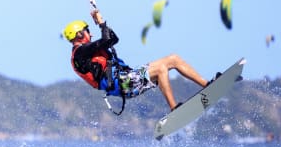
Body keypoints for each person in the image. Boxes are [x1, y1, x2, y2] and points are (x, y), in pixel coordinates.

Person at [62, 9, 212, 112]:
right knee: (161, 69)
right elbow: (106, 39)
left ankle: (208, 85)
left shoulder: (87, 49)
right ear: (80, 34)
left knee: (173, 59)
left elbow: (113, 39)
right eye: (87, 31)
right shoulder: (80, 53)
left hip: (127, 77)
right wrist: (101, 24)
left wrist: (103, 24)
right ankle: (174, 108)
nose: (90, 34)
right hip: (122, 84)